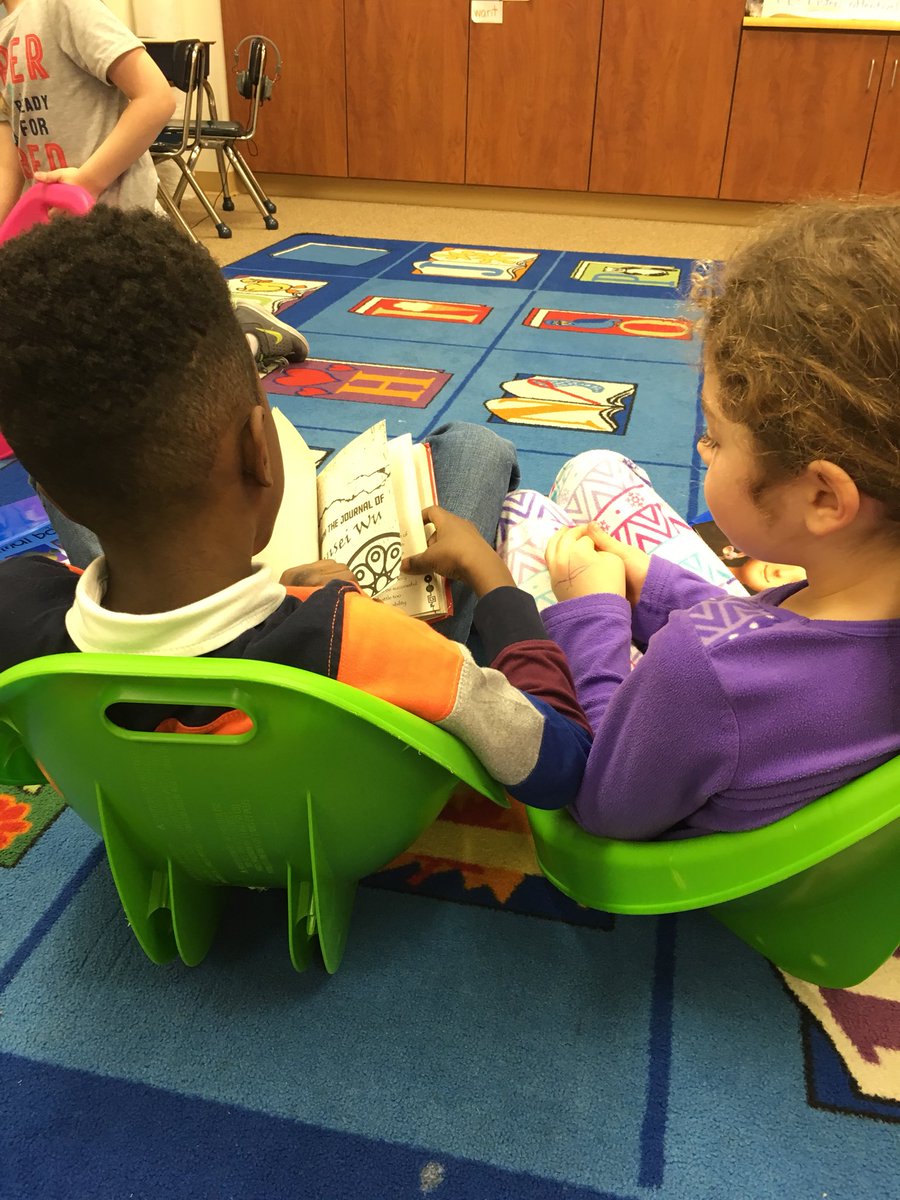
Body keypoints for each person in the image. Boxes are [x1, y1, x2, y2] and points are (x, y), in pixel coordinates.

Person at [0, 204, 591, 810]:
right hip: (350, 819)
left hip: (138, 812)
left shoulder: (14, 606)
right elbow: (564, 762)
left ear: (44, 495)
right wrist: (494, 585)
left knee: (98, 469)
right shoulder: (367, 641)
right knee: (473, 447)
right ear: (263, 449)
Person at [482, 200, 900, 840]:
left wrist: (593, 608)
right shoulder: (862, 592)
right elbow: (773, 632)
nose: (702, 450)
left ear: (823, 499)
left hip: (646, 799)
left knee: (522, 517)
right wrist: (649, 580)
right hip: (758, 711)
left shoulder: (696, 672)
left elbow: (600, 802)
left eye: (715, 438)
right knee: (597, 468)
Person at [0, 0, 176, 221]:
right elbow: (10, 160)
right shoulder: (4, 34)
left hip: (117, 219)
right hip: (57, 223)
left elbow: (156, 98)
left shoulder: (64, 5)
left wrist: (87, 182)